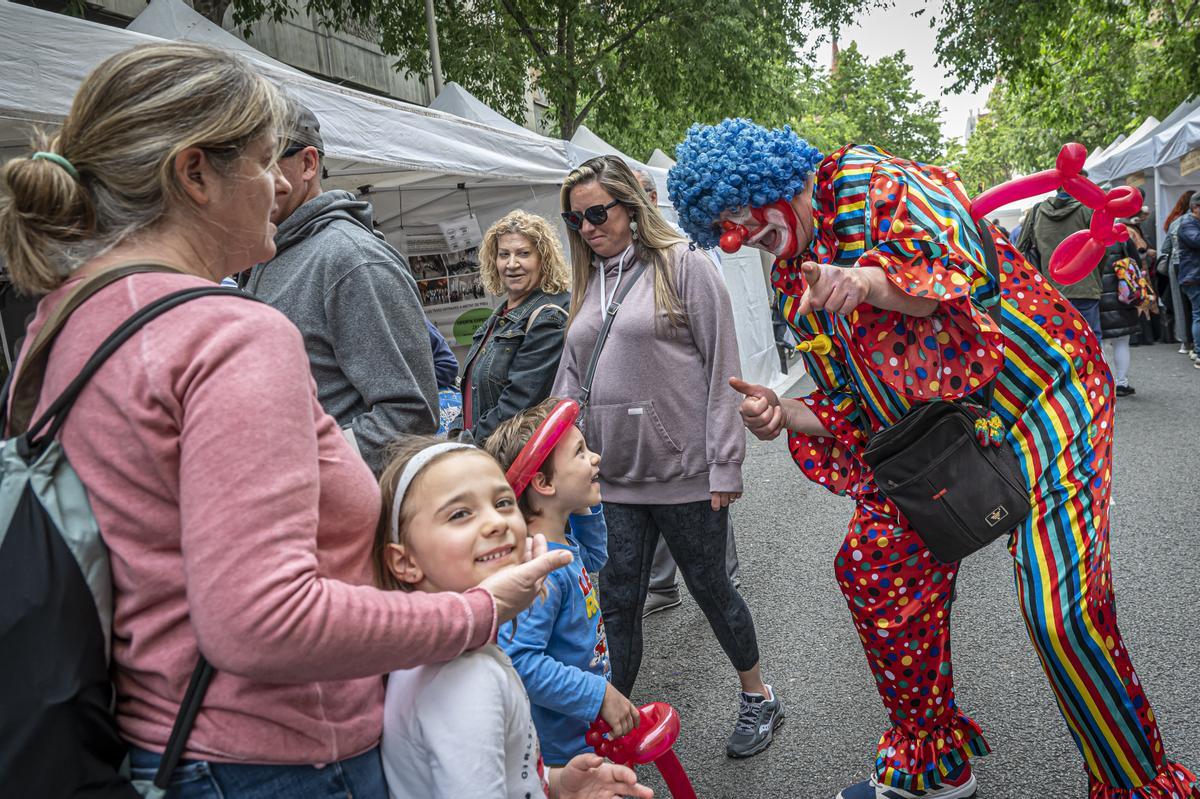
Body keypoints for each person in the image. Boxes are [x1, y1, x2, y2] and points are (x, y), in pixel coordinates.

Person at [0, 42, 572, 797]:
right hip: (281, 753)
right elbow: (260, 619)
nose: (281, 183)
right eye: (267, 160)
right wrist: (474, 611)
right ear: (195, 172)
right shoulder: (229, 331)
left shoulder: (64, 319)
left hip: (162, 742)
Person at [669, 119, 1200, 799]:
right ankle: (931, 763)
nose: (736, 233)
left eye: (737, 213)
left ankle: (1135, 783)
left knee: (1059, 612)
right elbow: (848, 406)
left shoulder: (869, 183)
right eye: (722, 227)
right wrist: (786, 414)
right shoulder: (790, 279)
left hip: (1039, 396)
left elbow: (961, 269)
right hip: (936, 437)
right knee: (873, 570)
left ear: (768, 180)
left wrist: (868, 282)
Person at [554, 154, 784, 759]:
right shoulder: (586, 283)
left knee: (711, 587)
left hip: (684, 474)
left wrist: (725, 463)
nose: (587, 228)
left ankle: (758, 695)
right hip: (612, 480)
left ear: (632, 207)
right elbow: (568, 381)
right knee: (618, 599)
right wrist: (552, 458)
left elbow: (722, 370)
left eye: (598, 213)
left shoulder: (685, 265)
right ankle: (609, 724)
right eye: (575, 219)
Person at [374, 437, 653, 799]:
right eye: (460, 514)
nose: (496, 522)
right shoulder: (466, 684)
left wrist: (554, 784)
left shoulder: (444, 652)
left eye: (503, 502)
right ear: (405, 561)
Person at [245, 100, 438, 474]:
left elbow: (410, 417)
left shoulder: (352, 259)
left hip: (338, 514)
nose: (256, 181)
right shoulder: (267, 255)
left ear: (308, 164)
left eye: (266, 162)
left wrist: (298, 470)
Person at [484, 398, 640, 766]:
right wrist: (598, 693)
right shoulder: (541, 570)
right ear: (542, 482)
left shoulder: (560, 544)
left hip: (583, 727)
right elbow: (520, 661)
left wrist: (582, 504)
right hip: (564, 748)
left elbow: (595, 557)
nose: (595, 457)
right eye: (580, 452)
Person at [633, 169, 741, 617]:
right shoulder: (623, 260)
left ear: (652, 199)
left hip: (687, 392)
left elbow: (712, 323)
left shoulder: (687, 248)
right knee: (656, 493)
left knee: (704, 491)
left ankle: (723, 576)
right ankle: (662, 584)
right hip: (647, 403)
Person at [457, 210, 570, 442]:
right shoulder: (500, 316)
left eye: (523, 253)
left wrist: (466, 445)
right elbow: (473, 394)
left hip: (511, 455)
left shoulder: (549, 315)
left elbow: (518, 404)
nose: (511, 264)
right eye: (503, 254)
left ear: (543, 259)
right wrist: (456, 432)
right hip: (484, 450)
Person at [1016, 182, 1104, 339]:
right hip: (1085, 288)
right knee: (1091, 340)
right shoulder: (1089, 210)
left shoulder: (1037, 212)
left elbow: (1020, 248)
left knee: (1059, 343)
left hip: (1050, 289)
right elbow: (1104, 248)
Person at [1099, 240, 1144, 395]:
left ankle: (1103, 384)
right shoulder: (1121, 236)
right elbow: (1135, 262)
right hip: (1121, 294)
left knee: (1100, 342)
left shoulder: (1085, 235)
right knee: (1122, 341)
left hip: (1095, 295)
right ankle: (1122, 383)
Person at [1159, 190, 1197, 355]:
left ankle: (1185, 342)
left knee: (1181, 307)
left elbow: (1165, 248)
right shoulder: (1187, 222)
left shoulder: (1174, 221)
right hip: (1190, 267)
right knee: (1195, 309)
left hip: (1176, 266)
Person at [1177, 193, 1200, 368]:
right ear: (1195, 207)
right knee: (1198, 314)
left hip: (1194, 275)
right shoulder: (1187, 224)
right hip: (1194, 276)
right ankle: (1199, 352)